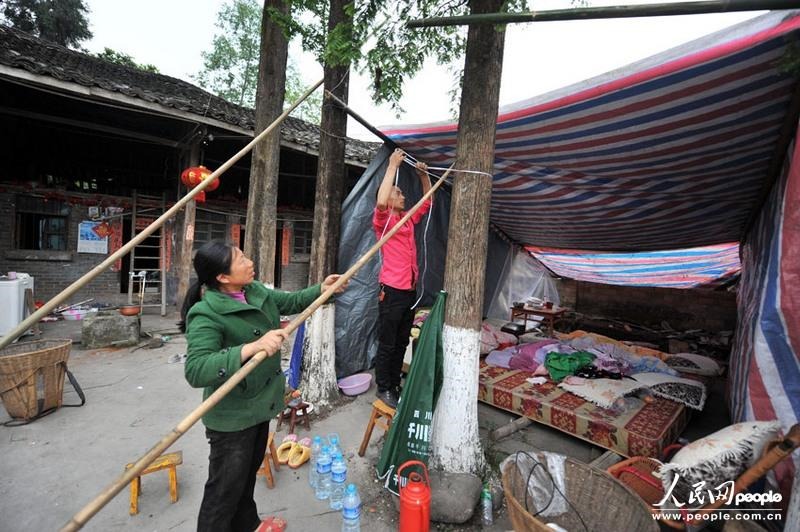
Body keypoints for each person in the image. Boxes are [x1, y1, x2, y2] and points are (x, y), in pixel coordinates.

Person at [180, 240, 346, 532]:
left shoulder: (254, 291)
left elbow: (291, 302)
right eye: (241, 259)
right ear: (223, 277)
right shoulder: (206, 313)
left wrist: (322, 289)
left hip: (259, 406)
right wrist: (251, 348)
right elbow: (196, 369)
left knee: (244, 480)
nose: (249, 262)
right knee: (223, 493)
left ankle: (249, 525)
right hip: (232, 419)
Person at [372, 148, 432, 408]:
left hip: (408, 290)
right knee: (388, 343)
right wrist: (392, 166)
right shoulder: (383, 221)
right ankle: (383, 387)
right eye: (398, 192)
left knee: (401, 341)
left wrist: (423, 176)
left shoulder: (406, 220)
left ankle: (395, 383)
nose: (403, 195)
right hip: (392, 291)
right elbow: (381, 202)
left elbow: (427, 201)